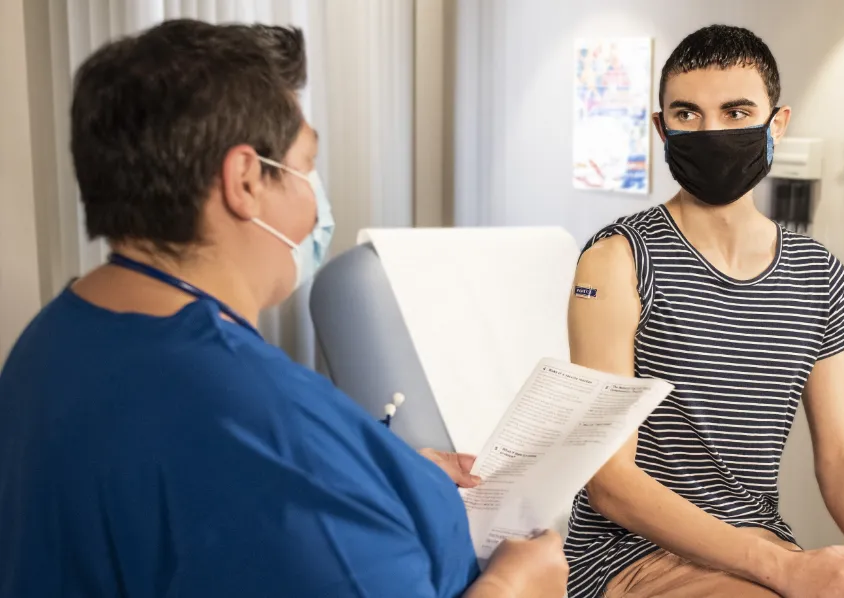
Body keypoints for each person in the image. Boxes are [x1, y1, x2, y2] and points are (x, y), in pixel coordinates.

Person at [0, 19, 567, 598]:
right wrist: (517, 587)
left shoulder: (50, 342)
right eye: (307, 164)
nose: (315, 196)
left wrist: (382, 471)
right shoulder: (262, 423)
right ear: (245, 180)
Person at [563, 25, 844, 598]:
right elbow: (610, 483)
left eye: (737, 113)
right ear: (661, 129)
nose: (711, 132)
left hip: (759, 545)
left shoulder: (817, 272)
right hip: (630, 554)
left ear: (775, 124)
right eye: (687, 115)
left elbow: (840, 453)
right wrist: (782, 569)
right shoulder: (616, 262)